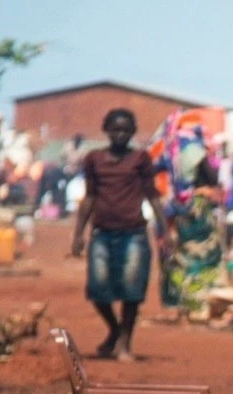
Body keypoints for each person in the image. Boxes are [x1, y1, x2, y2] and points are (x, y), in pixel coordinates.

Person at [71, 108, 170, 361]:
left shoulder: (140, 159)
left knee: (131, 291)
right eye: (115, 129)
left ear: (133, 132)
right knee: (97, 288)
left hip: (134, 233)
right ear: (106, 131)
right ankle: (114, 330)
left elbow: (152, 195)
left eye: (126, 130)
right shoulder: (94, 159)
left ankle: (125, 342)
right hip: (102, 234)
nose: (120, 134)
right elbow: (89, 197)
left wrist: (164, 230)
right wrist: (78, 234)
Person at [163, 150, 226, 321]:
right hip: (202, 243)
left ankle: (188, 308)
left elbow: (169, 216)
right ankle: (203, 306)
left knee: (183, 266)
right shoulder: (206, 195)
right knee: (205, 266)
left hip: (187, 241)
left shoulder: (179, 193)